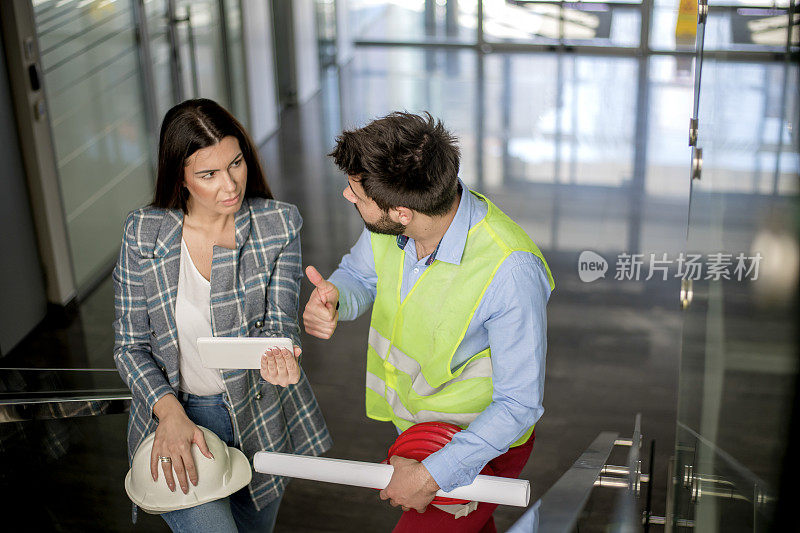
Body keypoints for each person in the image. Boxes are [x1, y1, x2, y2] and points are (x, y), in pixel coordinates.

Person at [303, 112, 554, 532]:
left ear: (401, 212)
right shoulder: (394, 223)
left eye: (356, 194)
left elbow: (519, 404)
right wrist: (336, 297)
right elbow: (361, 275)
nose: (349, 198)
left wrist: (432, 474)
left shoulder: (511, 271)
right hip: (419, 429)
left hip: (478, 445)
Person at [113, 98, 331, 532]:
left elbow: (279, 325)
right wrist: (168, 412)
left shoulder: (278, 225)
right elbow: (130, 346)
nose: (230, 185)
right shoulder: (143, 232)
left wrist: (281, 359)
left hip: (261, 416)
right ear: (181, 177)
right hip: (177, 418)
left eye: (236, 163)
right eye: (208, 174)